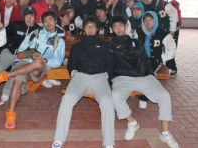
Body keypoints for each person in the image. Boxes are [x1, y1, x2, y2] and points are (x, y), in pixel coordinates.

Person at [109, 15, 180, 147]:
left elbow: (144, 59)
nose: (118, 28)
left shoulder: (136, 42)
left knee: (164, 95)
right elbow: (110, 62)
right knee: (115, 96)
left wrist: (148, 73)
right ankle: (132, 123)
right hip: (123, 78)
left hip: (143, 76)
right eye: (115, 26)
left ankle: (165, 133)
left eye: (120, 25)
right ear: (112, 29)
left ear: (126, 27)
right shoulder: (111, 45)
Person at [0, 10, 65, 130]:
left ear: (55, 21)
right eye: (45, 21)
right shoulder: (36, 33)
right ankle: (11, 114)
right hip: (26, 62)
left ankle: (7, 74)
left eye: (50, 20)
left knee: (38, 62)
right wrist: (30, 54)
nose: (48, 23)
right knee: (17, 81)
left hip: (41, 67)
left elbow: (58, 62)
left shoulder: (59, 41)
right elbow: (21, 50)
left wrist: (44, 59)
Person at [52, 16, 115, 148]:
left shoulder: (105, 45)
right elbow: (71, 62)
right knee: (67, 98)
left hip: (99, 77)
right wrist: (74, 73)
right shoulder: (77, 46)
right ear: (84, 29)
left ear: (97, 29)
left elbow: (110, 62)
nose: (90, 29)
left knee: (107, 101)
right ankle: (59, 139)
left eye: (93, 26)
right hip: (80, 77)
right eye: (87, 27)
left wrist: (106, 75)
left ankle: (108, 143)